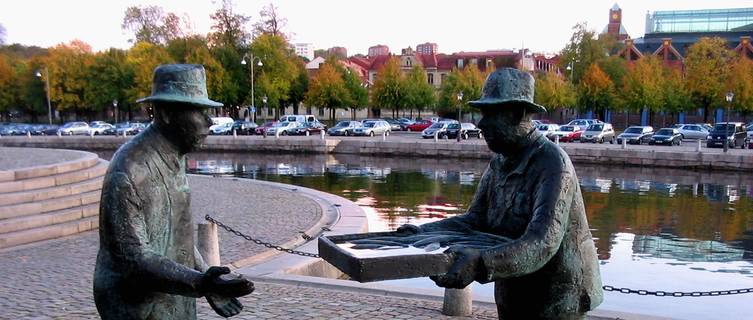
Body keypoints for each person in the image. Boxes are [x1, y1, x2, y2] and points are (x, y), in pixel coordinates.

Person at [398, 68, 602, 319]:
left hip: (557, 295)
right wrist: (424, 232)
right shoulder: (499, 162)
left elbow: (543, 242)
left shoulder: (552, 163)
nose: (480, 123)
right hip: (512, 281)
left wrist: (480, 263)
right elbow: (475, 220)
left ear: (517, 114)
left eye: (490, 113)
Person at [94, 64, 254, 319]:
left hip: (173, 293)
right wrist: (201, 283)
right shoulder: (129, 171)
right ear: (166, 113)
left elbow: (179, 236)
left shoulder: (174, 156)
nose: (210, 121)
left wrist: (207, 279)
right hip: (137, 306)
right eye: (199, 111)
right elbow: (134, 260)